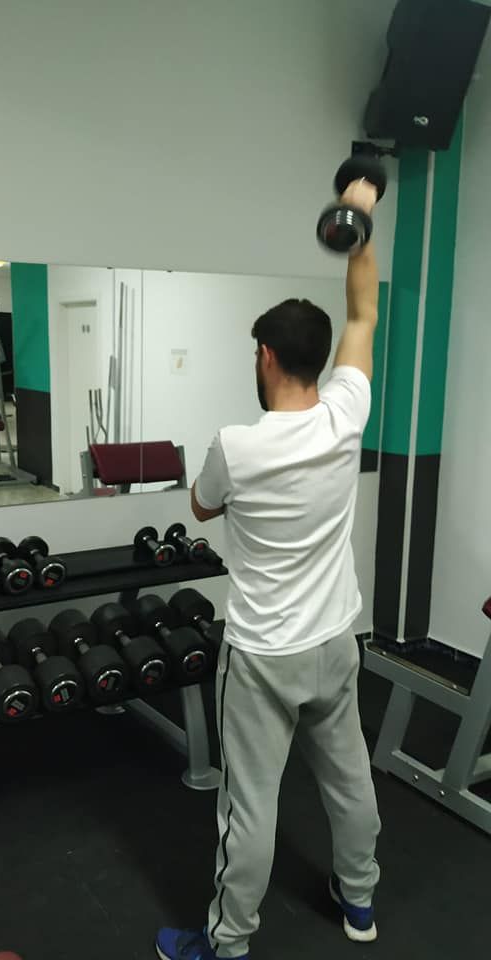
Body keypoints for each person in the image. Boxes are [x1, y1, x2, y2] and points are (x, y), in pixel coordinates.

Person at [156, 178, 382, 960]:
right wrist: (362, 219)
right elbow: (364, 311)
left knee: (249, 806)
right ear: (319, 362)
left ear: (265, 356)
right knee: (348, 780)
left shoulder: (236, 445)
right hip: (335, 642)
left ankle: (226, 942)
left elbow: (200, 507)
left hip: (261, 655)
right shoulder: (346, 417)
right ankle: (360, 901)